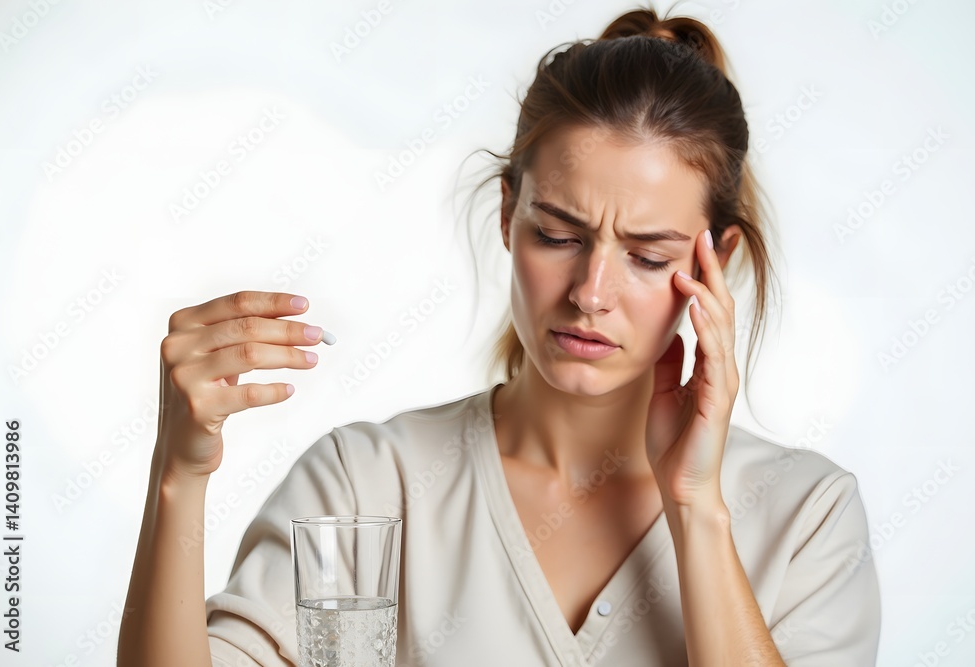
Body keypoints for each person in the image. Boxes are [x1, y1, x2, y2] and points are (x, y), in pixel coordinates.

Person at [118, 5, 881, 666]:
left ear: (718, 259)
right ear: (508, 213)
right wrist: (177, 476)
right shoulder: (367, 483)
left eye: (648, 256)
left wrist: (696, 508)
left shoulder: (806, 518)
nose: (590, 293)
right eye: (558, 235)